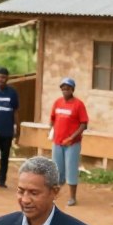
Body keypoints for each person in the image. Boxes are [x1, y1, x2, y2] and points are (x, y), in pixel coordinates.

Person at [49, 77, 88, 207]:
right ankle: (54, 194)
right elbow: (53, 119)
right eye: (63, 88)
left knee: (71, 169)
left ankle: (72, 197)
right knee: (57, 169)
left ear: (72, 90)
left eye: (68, 88)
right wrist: (52, 130)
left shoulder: (78, 104)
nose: (65, 91)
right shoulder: (57, 103)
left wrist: (72, 137)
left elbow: (83, 124)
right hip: (58, 142)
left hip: (72, 143)